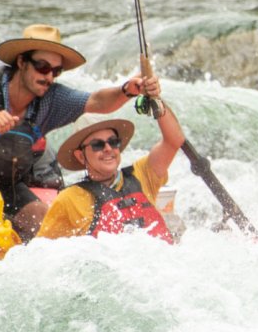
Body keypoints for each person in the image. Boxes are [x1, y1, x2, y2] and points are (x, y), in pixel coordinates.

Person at [0, 24, 159, 241]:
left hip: (1, 184)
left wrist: (128, 89)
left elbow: (97, 101)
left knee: (45, 229)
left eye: (56, 71)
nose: (49, 76)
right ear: (22, 62)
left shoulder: (51, 98)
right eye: (42, 67)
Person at [33, 94, 184, 243]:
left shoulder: (143, 174)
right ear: (81, 156)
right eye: (97, 145)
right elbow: (41, 249)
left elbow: (174, 140)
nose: (108, 149)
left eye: (113, 142)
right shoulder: (69, 199)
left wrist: (156, 99)